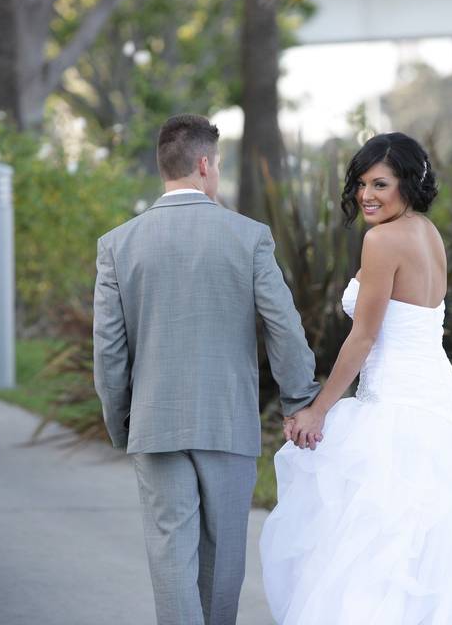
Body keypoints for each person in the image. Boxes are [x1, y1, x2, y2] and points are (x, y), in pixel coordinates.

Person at [259, 132, 452, 624]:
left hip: (395, 402)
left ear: (409, 184)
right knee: (432, 537)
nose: (366, 195)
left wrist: (318, 409)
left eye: (380, 184)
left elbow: (363, 338)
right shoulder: (427, 233)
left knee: (380, 539)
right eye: (362, 183)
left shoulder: (382, 240)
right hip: (436, 393)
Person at [93, 113, 320, 625]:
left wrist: (121, 421)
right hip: (227, 422)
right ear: (203, 165)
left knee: (171, 555)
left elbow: (108, 349)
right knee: (222, 561)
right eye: (216, 164)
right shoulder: (249, 237)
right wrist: (299, 398)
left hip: (155, 424)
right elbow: (283, 326)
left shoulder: (118, 244)